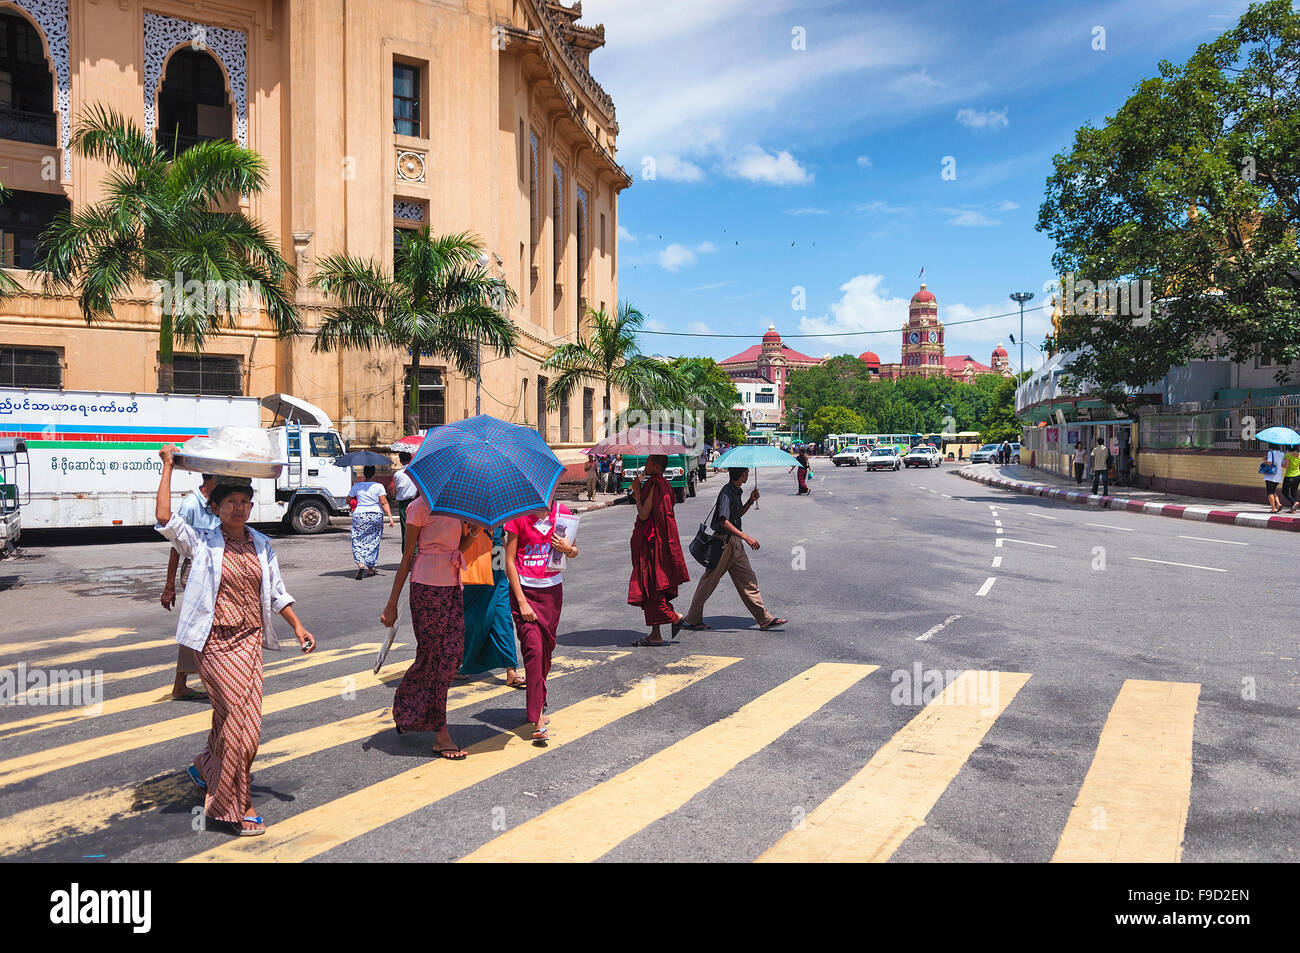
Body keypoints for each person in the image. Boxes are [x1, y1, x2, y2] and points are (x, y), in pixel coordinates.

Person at [154, 447, 316, 836]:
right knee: (242, 729)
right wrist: (167, 468)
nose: (239, 509)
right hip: (213, 643)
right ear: (215, 506)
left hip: (249, 642)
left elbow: (276, 592)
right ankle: (234, 804)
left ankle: (205, 767)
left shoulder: (262, 544)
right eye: (231, 502)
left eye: (245, 502)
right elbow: (163, 518)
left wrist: (297, 626)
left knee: (237, 722)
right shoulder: (201, 541)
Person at [380, 495, 480, 759]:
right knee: (435, 658)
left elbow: (459, 546)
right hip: (426, 589)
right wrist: (392, 604)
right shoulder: (418, 508)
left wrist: (476, 531)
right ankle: (441, 732)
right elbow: (407, 558)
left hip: (452, 588)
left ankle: (406, 706)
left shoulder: (458, 505)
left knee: (452, 655)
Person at [504, 500, 579, 742]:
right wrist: (522, 601)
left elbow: (574, 551)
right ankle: (536, 717)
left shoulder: (563, 514)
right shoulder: (518, 515)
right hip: (524, 593)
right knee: (533, 651)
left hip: (552, 593)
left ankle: (539, 694)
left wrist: (568, 548)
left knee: (546, 651)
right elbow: (509, 561)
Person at [680, 468, 787, 632]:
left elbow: (735, 516)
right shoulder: (726, 493)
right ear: (742, 475)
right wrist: (746, 537)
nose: (748, 475)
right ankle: (693, 619)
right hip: (723, 544)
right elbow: (724, 521)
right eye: (746, 472)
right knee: (709, 581)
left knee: (748, 579)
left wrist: (750, 501)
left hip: (735, 544)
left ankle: (764, 619)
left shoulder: (736, 491)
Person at [161, 472, 217, 700]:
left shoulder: (220, 501)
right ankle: (190, 682)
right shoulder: (191, 505)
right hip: (195, 569)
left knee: (202, 625)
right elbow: (176, 547)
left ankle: (183, 683)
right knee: (204, 626)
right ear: (211, 478)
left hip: (214, 570)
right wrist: (169, 586)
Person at [628, 455, 689, 646]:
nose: (645, 465)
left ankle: (675, 617)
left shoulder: (654, 484)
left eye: (647, 463)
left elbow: (644, 514)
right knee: (655, 588)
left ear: (656, 466)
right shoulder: (667, 486)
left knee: (653, 587)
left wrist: (637, 494)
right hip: (662, 542)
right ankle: (655, 635)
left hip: (653, 544)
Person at [458, 525, 524, 688]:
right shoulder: (462, 513)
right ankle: (460, 661)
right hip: (470, 572)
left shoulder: (496, 511)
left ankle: (511, 670)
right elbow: (457, 546)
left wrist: (502, 573)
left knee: (503, 618)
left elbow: (499, 541)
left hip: (495, 568)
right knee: (470, 621)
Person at [349, 465, 395, 580]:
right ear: (374, 474)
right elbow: (384, 502)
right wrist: (390, 517)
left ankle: (360, 564)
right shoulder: (378, 486)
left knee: (357, 539)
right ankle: (370, 569)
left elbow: (347, 500)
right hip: (375, 515)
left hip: (360, 514)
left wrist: (356, 499)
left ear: (364, 474)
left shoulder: (357, 486)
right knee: (373, 540)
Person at [392, 452, 419, 539]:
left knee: (405, 529)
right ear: (411, 458)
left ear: (400, 460)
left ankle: (406, 550)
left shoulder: (398, 474)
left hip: (404, 504)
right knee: (418, 526)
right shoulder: (417, 471)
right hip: (417, 501)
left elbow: (397, 489)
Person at [1263, 443, 1286, 513]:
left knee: (1270, 492)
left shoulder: (1270, 452)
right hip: (1278, 476)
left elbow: (1269, 463)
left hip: (1270, 476)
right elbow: (1283, 464)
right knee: (1273, 491)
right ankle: (1278, 504)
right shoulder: (1282, 454)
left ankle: (1273, 509)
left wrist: (1264, 460)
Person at [1281, 446, 1300, 514]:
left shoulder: (1288, 455)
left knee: (1284, 492)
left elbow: (1286, 466)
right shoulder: (1299, 455)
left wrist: (1281, 464)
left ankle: (1294, 502)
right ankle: (1293, 510)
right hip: (1298, 475)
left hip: (1289, 476)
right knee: (1293, 491)